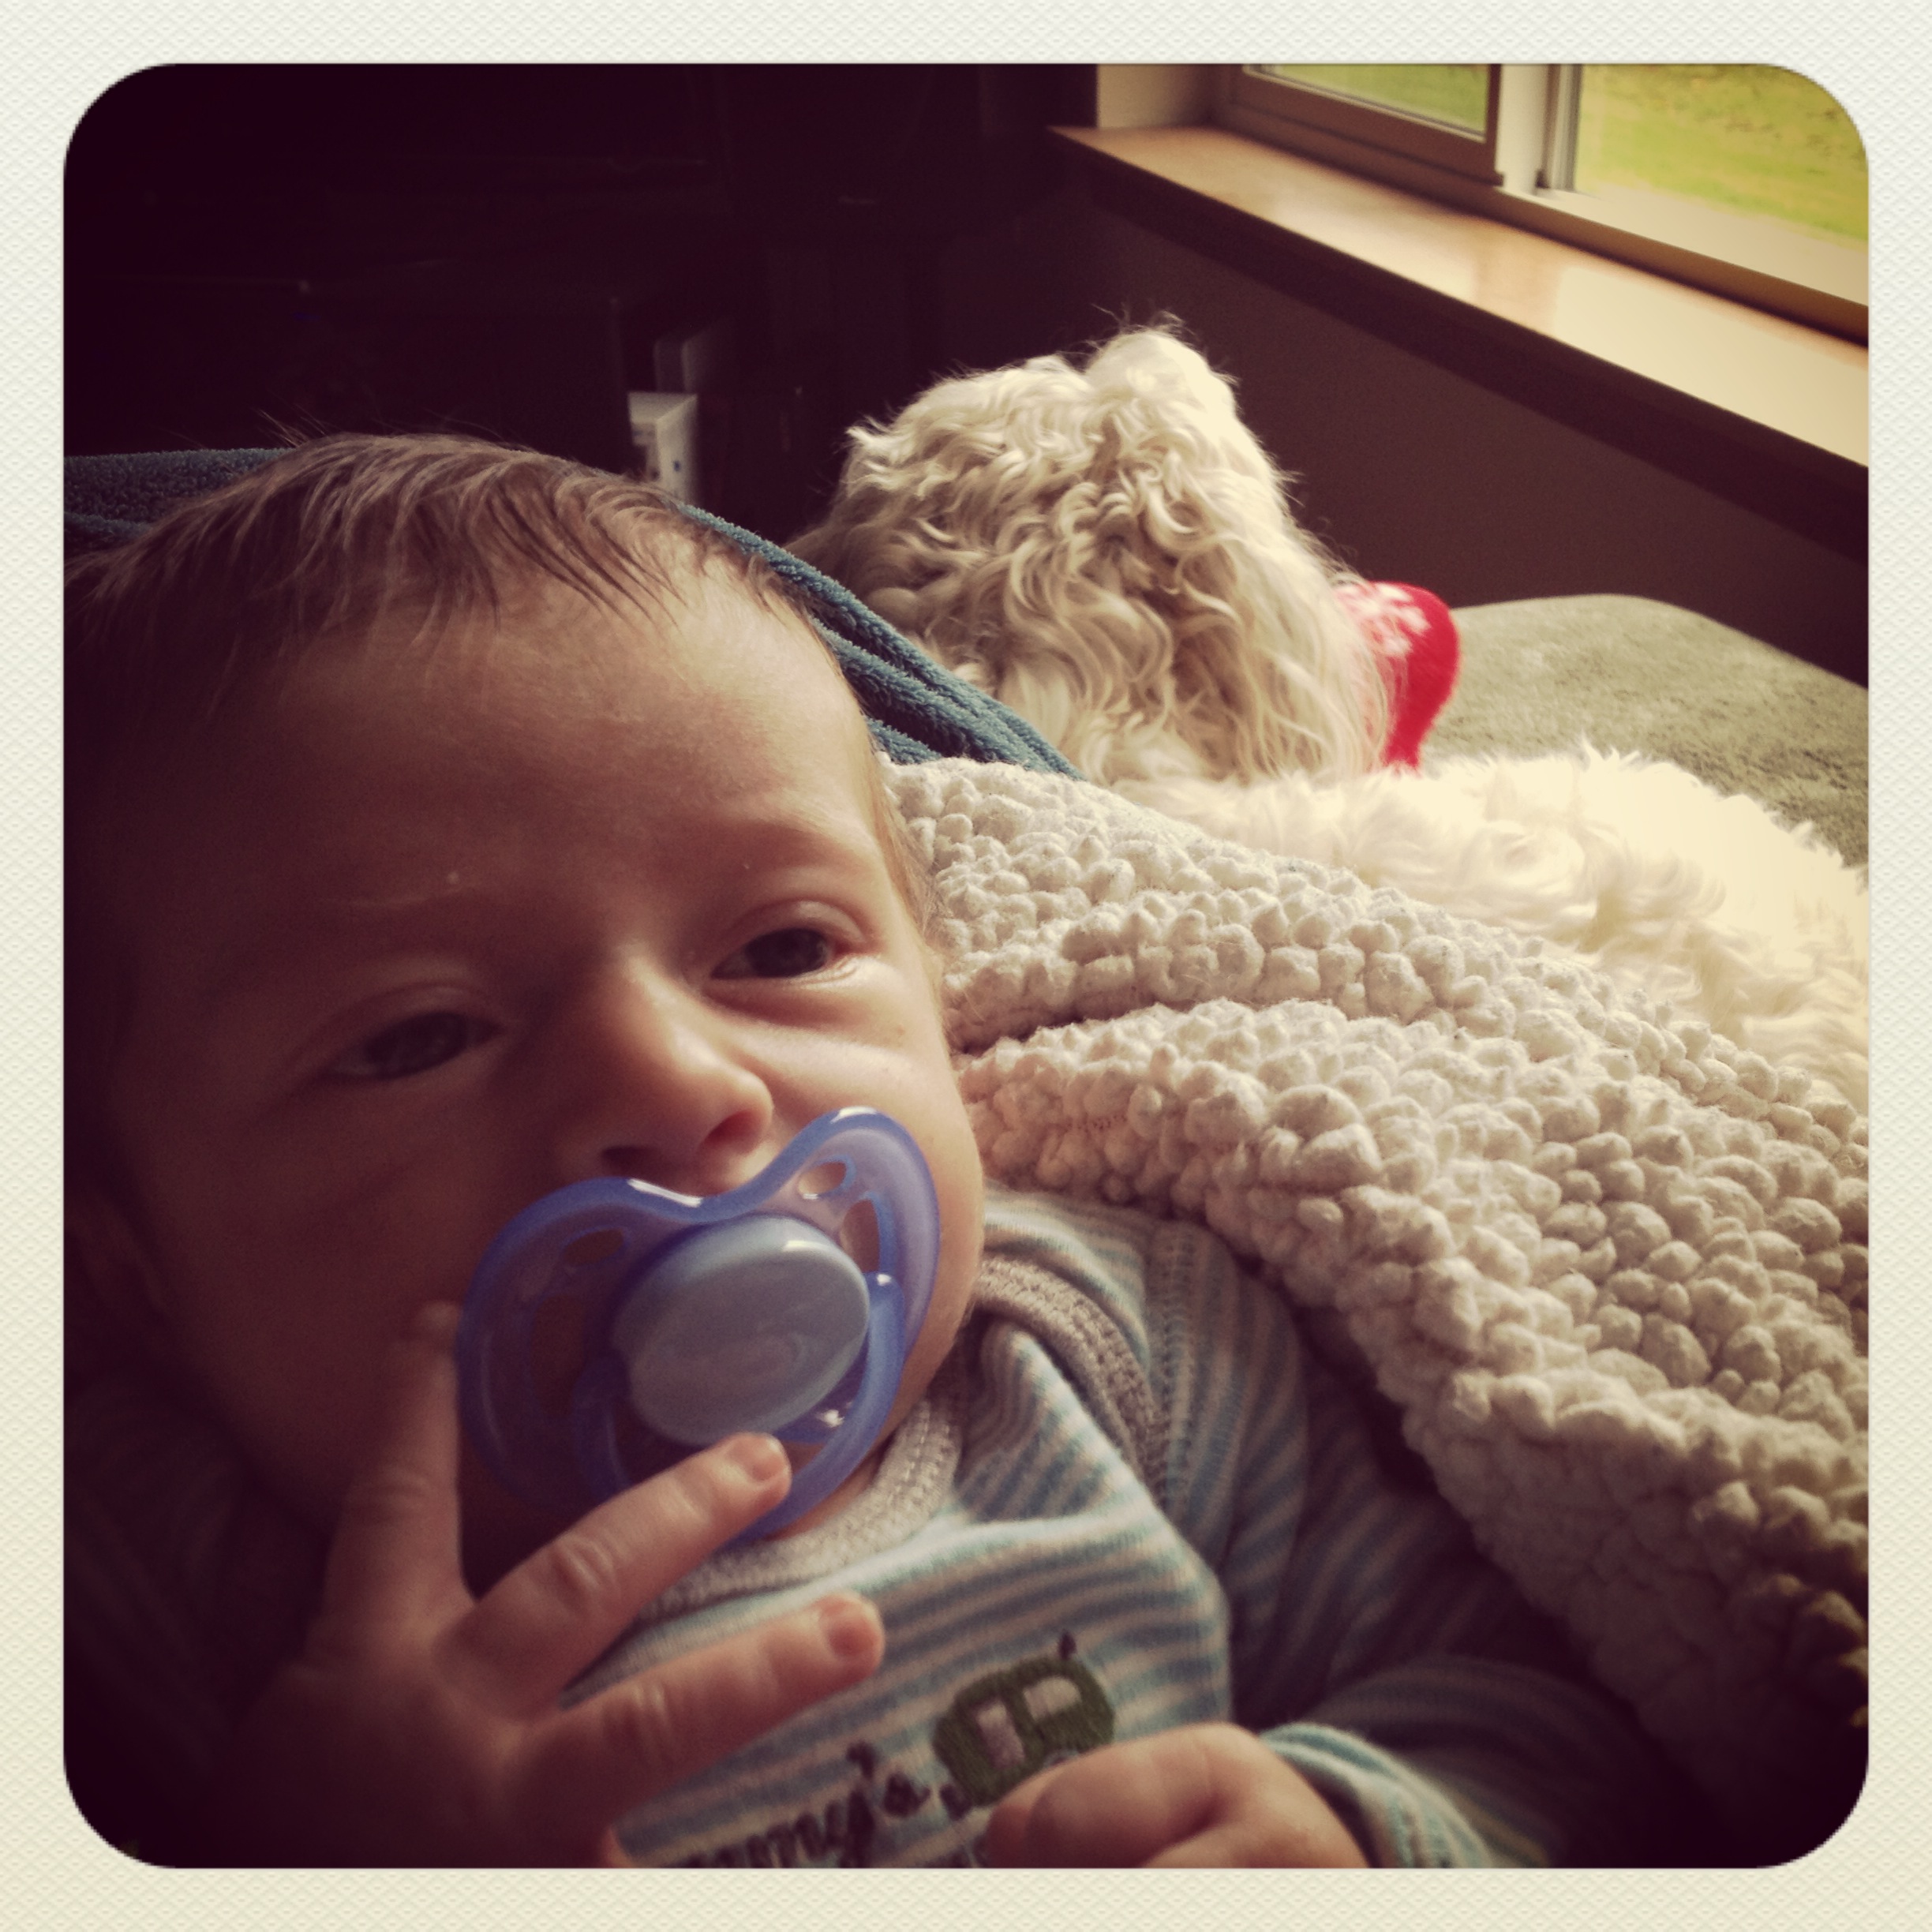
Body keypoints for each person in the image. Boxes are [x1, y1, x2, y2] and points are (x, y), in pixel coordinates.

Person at [64, 435, 1672, 1867]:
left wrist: (1360, 1830)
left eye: (781, 949)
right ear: (130, 1273)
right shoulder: (142, 1591)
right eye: (417, 1036)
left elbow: (1539, 1722)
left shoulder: (1120, 1360)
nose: (678, 1081)